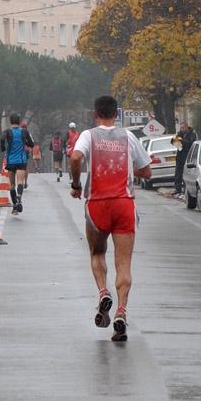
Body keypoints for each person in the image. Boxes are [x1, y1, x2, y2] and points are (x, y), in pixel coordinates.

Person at [69, 94, 151, 342]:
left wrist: (75, 183)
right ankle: (121, 313)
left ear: (95, 114)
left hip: (97, 205)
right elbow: (146, 171)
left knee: (97, 253)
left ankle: (103, 292)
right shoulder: (128, 136)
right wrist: (127, 167)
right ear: (117, 114)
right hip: (124, 204)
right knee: (123, 263)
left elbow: (75, 157)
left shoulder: (88, 135)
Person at [0, 113, 34, 214]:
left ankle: (15, 207)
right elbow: (31, 144)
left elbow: (2, 139)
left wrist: (3, 147)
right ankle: (19, 196)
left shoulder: (8, 131)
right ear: (19, 122)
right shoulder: (24, 131)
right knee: (20, 181)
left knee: (12, 184)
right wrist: (25, 142)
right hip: (21, 160)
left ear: (10, 121)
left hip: (11, 161)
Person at [171, 121, 197, 195]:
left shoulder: (192, 135)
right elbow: (174, 142)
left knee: (187, 174)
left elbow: (190, 144)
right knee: (178, 174)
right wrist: (175, 139)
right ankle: (177, 188)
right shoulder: (180, 134)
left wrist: (182, 141)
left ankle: (186, 188)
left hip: (187, 157)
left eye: (183, 128)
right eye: (180, 128)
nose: (181, 129)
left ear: (186, 127)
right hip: (180, 156)